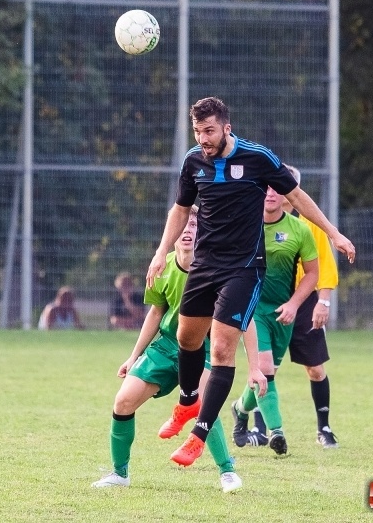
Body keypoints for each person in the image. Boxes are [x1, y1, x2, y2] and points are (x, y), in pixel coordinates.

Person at [146, 97, 355, 467]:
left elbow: (297, 196)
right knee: (186, 339)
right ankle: (186, 402)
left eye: (209, 130)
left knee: (224, 350)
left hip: (243, 269)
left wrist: (333, 233)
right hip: (205, 267)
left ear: (227, 127)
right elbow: (180, 209)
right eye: (198, 131)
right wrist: (161, 251)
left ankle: (199, 434)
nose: (203, 138)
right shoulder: (194, 161)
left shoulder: (258, 158)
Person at [92, 206, 260, 493]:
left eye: (196, 225)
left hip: (203, 348)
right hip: (168, 345)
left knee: (206, 404)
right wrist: (133, 356)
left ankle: (227, 471)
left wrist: (255, 367)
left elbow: (247, 319)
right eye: (185, 224)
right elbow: (157, 313)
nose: (188, 230)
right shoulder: (162, 267)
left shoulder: (219, 270)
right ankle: (120, 474)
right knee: (123, 402)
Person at [247, 165, 340, 449]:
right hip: (267, 304)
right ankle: (260, 428)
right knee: (264, 367)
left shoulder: (309, 224)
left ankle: (323, 428)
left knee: (314, 367)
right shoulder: (255, 218)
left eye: (286, 185)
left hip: (304, 303)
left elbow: (322, 267)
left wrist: (322, 302)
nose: (278, 190)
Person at [229, 184, 319, 456]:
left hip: (282, 314)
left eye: (276, 189)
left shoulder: (299, 230)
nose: (270, 194)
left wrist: (294, 304)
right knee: (265, 367)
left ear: (286, 196)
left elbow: (313, 273)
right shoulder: (245, 224)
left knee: (266, 377)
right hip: (252, 307)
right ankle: (277, 432)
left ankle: (240, 408)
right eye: (265, 189)